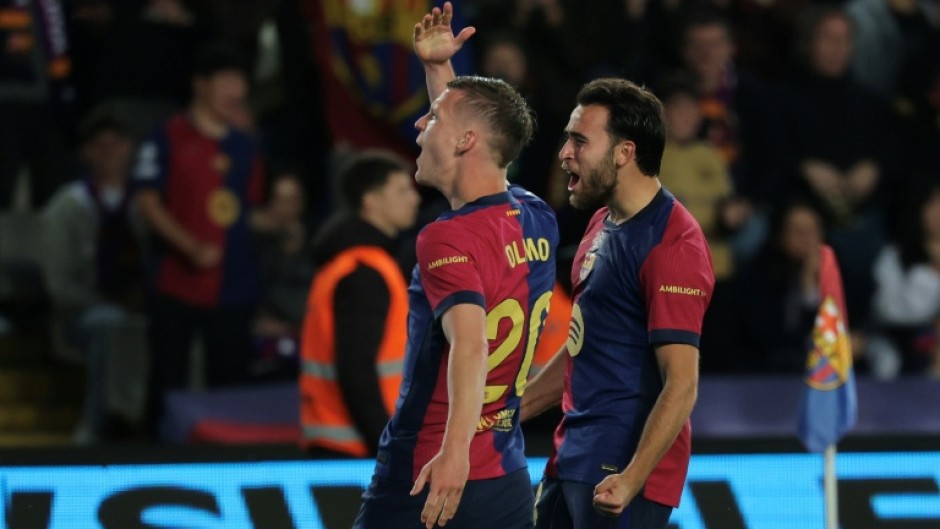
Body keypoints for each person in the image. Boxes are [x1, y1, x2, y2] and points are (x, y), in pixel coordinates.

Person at [351, 3, 558, 529]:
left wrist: (454, 452)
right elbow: (477, 134)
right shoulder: (538, 217)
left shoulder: (445, 238)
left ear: (464, 140)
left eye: (434, 117)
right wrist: (439, 71)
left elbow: (470, 343)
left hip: (429, 467)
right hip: (507, 475)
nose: (421, 122)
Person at [521, 77, 715, 528]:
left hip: (622, 477)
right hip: (572, 457)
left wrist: (632, 478)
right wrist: (511, 410)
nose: (564, 153)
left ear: (624, 153)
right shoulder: (600, 224)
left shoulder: (674, 247)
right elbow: (582, 347)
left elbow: (682, 384)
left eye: (579, 140)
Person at [132, 41, 265, 438]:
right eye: (226, 79)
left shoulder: (246, 145)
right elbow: (146, 200)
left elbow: (248, 210)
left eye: (240, 80)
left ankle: (228, 465)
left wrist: (276, 220)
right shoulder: (166, 136)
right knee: (165, 378)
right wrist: (189, 247)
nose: (235, 90)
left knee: (230, 383)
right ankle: (152, 458)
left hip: (234, 283)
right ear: (200, 85)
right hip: (177, 280)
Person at [300, 150, 420, 458]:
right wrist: (386, 446)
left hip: (341, 442)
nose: (414, 199)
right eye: (402, 190)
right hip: (354, 450)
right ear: (371, 200)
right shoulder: (363, 271)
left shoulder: (352, 262)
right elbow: (357, 371)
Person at [41, 105, 148, 442]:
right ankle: (98, 427)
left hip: (142, 307)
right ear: (86, 152)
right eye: (100, 145)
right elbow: (58, 285)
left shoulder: (147, 204)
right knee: (110, 323)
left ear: (130, 148)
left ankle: (163, 426)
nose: (110, 153)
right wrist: (108, 301)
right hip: (80, 315)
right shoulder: (68, 205)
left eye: (117, 143)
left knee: (172, 325)